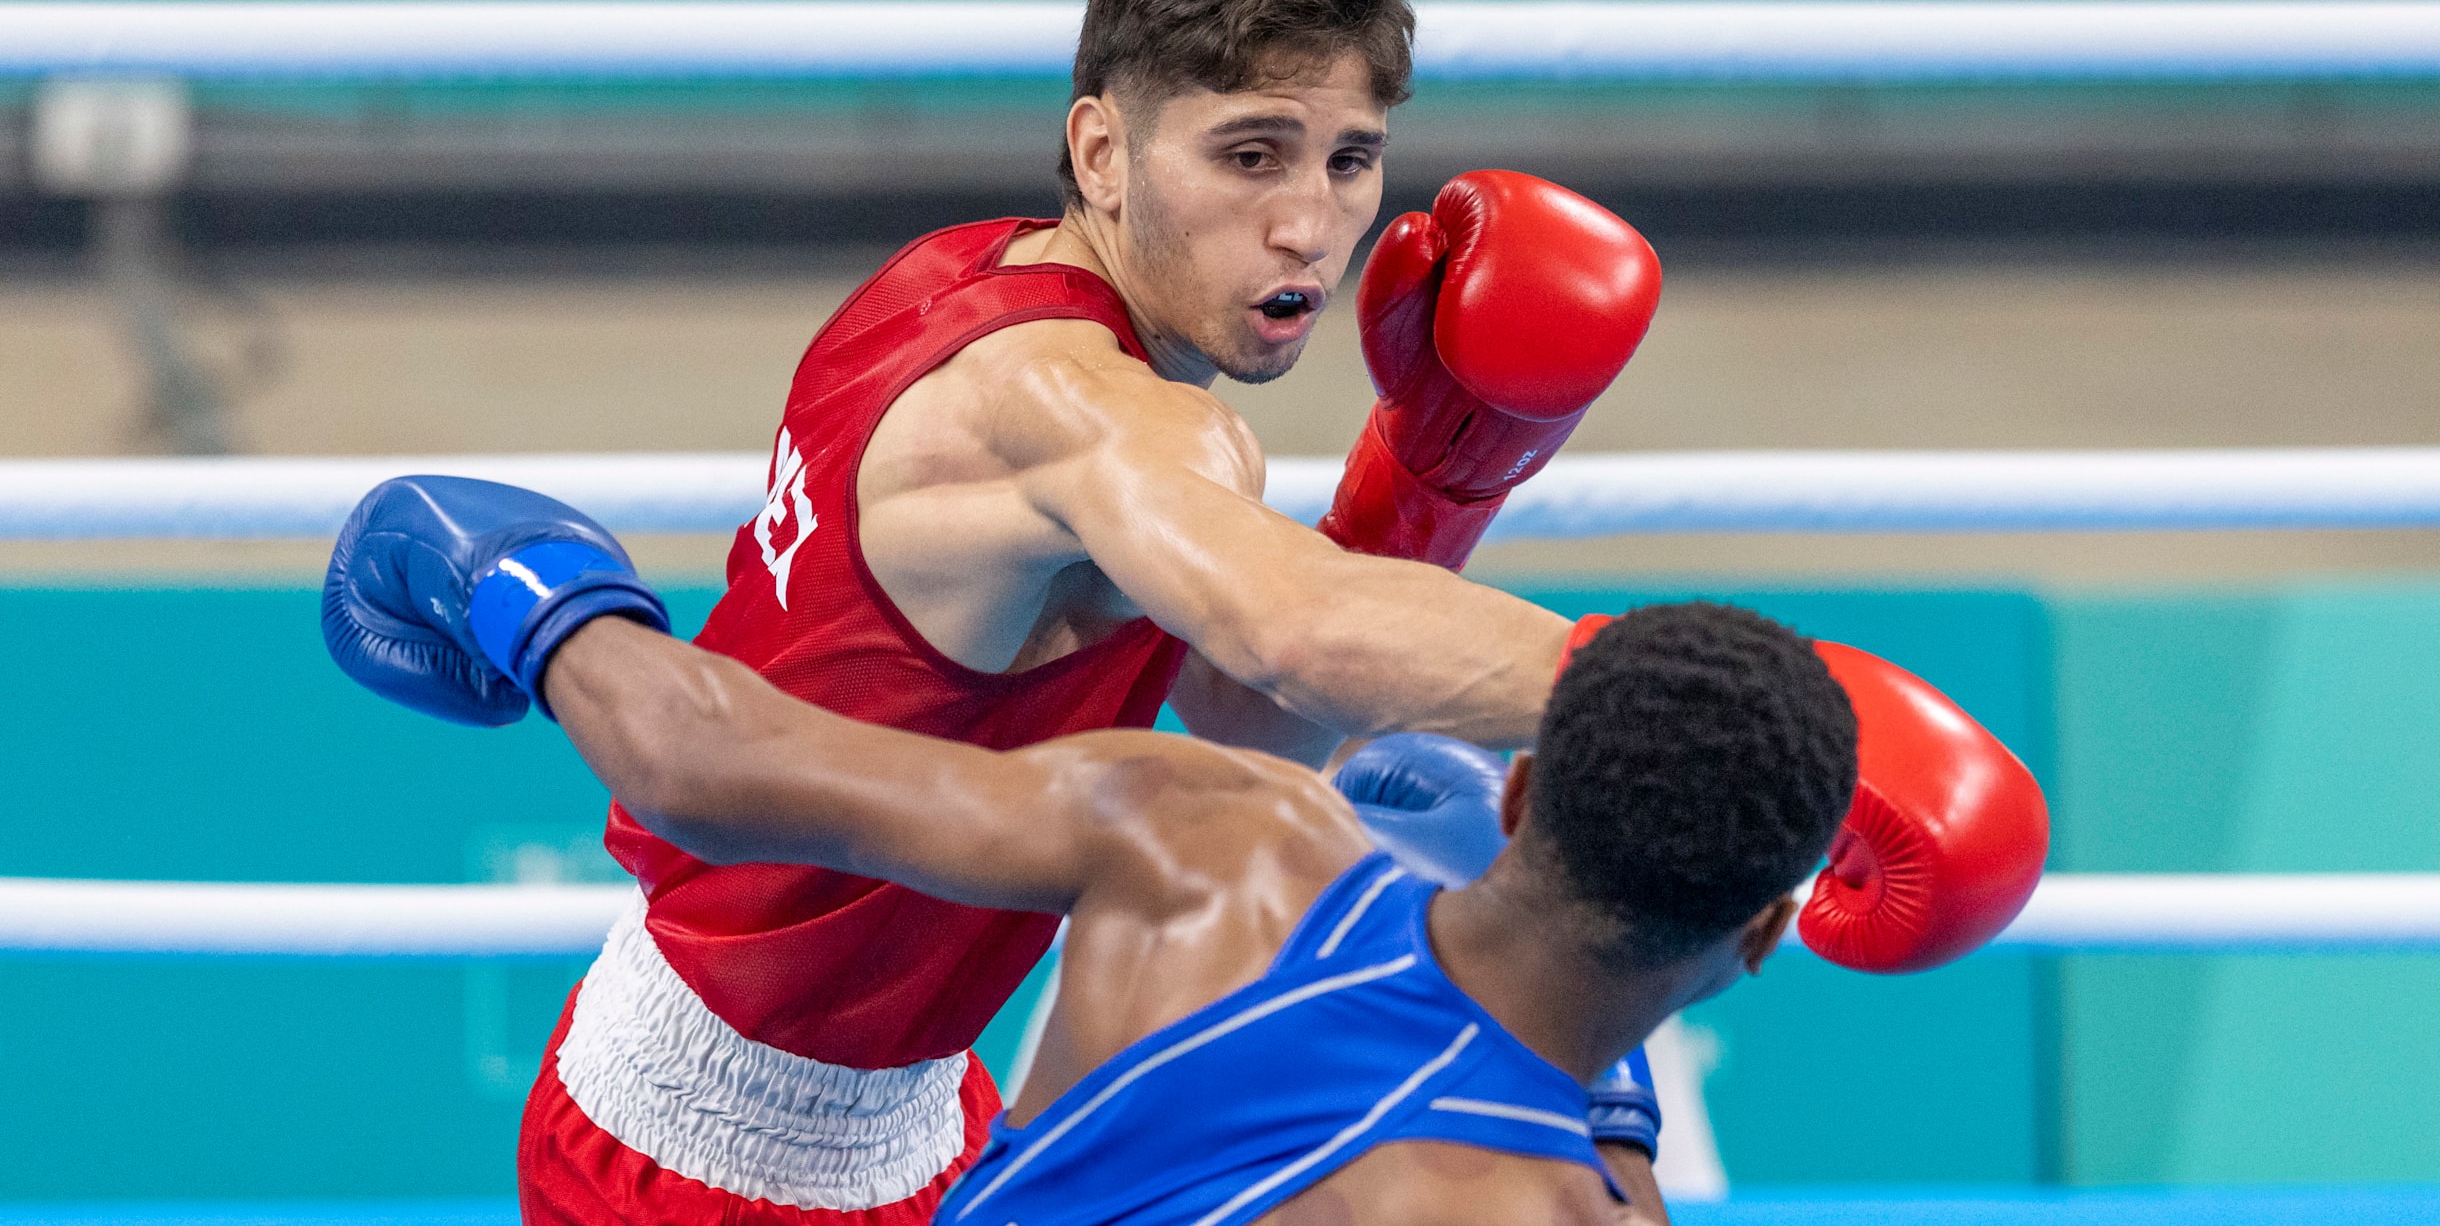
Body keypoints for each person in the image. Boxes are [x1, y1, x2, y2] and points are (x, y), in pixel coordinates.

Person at [324, 479, 2052, 1225]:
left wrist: (537, 601)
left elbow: (720, 763)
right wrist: (1605, 1103)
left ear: (1522, 797)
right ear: (1764, 939)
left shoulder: (1200, 836)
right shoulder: (1563, 1201)